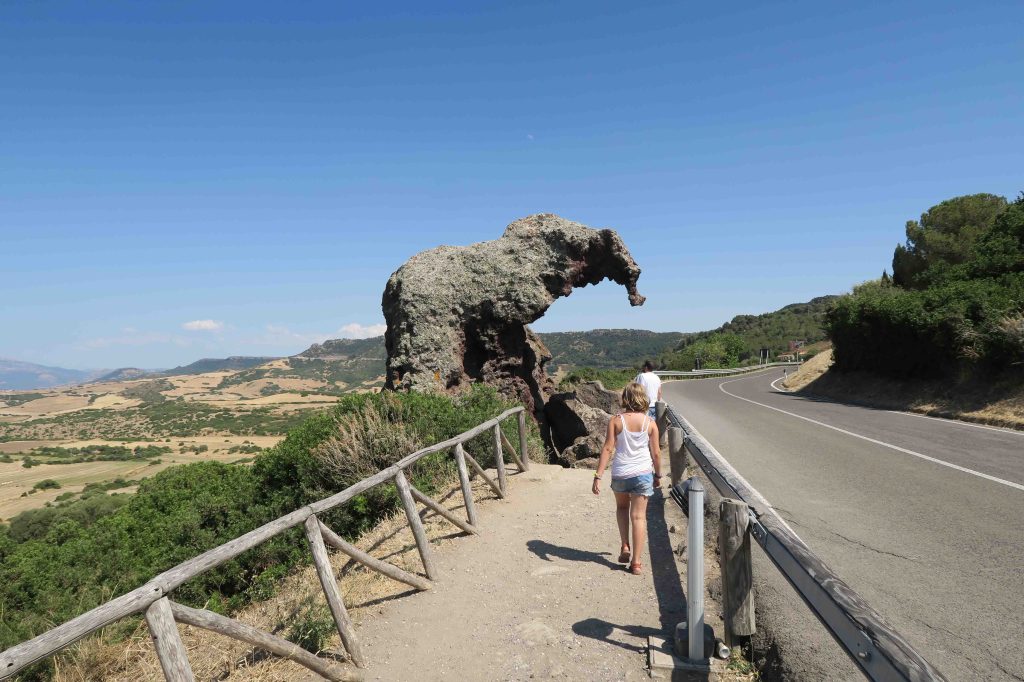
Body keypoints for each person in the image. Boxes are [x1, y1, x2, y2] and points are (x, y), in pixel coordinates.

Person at [591, 382, 662, 575]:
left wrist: (598, 476)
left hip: (621, 473)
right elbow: (656, 453)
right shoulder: (650, 423)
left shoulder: (616, 420)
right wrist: (658, 475)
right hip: (642, 473)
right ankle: (636, 563)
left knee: (622, 508)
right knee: (639, 517)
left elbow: (608, 448)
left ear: (625, 398)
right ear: (643, 398)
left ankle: (624, 545)